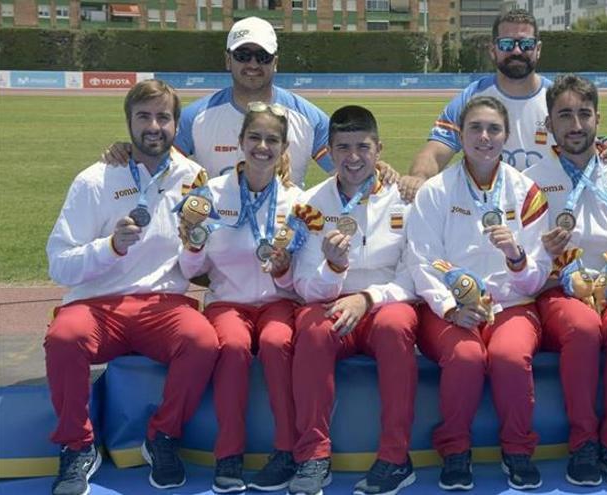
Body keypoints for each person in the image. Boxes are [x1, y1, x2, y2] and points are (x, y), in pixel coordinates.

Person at [44, 80, 219, 495]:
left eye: (163, 117)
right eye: (144, 116)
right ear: (129, 122)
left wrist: (198, 244)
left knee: (203, 341)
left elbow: (200, 258)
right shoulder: (94, 179)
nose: (154, 126)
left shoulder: (194, 177)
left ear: (177, 124)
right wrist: (110, 247)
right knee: (64, 338)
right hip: (96, 306)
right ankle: (78, 446)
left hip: (163, 303)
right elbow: (59, 264)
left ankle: (162, 436)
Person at [407, 96, 552, 491]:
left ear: (506, 135)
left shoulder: (527, 191)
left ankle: (518, 450)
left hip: (512, 305)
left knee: (508, 356)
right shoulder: (436, 191)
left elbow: (537, 276)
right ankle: (455, 451)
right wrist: (452, 307)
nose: (484, 137)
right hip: (448, 310)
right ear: (461, 134)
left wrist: (517, 257)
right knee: (466, 357)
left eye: (493, 129)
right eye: (475, 128)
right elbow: (422, 260)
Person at [523, 74, 607, 487]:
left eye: (584, 114)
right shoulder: (531, 180)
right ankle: (584, 444)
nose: (576, 125)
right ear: (549, 125)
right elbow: (519, 255)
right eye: (565, 116)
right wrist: (543, 247)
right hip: (560, 289)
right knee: (581, 329)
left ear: (599, 118)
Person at [288, 106, 419, 495]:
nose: (354, 157)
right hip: (332, 305)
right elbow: (303, 285)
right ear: (328, 151)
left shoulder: (406, 199)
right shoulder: (311, 204)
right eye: (343, 147)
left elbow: (415, 273)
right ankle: (313, 456)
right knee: (310, 330)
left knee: (396, 326)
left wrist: (368, 297)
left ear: (380, 149)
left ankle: (396, 458)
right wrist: (333, 267)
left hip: (387, 305)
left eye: (363, 146)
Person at [177, 103, 308, 493]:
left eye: (272, 140)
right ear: (240, 142)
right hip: (227, 302)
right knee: (232, 346)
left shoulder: (298, 201)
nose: (262, 146)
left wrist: (284, 266)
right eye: (255, 137)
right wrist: (192, 242)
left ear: (284, 148)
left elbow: (301, 274)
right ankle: (228, 454)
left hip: (278, 302)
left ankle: (287, 450)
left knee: (276, 342)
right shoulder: (211, 194)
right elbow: (189, 268)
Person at [102, 16, 398, 187]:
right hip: (220, 247)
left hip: (288, 243)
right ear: (227, 60)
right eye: (243, 55)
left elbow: (346, 168)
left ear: (276, 62)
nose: (253, 64)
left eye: (263, 56)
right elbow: (156, 162)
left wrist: (378, 168)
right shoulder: (196, 117)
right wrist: (128, 150)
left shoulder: (310, 117)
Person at [398, 8, 607, 201]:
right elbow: (435, 151)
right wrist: (418, 177)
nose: (517, 51)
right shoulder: (472, 97)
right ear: (492, 50)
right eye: (507, 43)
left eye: (526, 43)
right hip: (489, 211)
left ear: (538, 49)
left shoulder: (557, 97)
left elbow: (585, 143)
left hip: (551, 210)